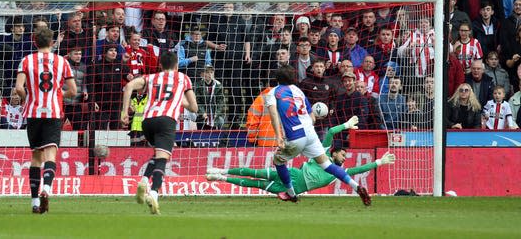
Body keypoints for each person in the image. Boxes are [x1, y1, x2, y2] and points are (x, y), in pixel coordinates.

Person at [206, 117, 396, 198]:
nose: (345, 158)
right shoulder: (321, 155)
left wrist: (379, 162)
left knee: (256, 184)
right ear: (335, 152)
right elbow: (329, 132)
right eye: (343, 154)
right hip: (294, 174)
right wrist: (345, 125)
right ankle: (220, 170)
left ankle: (221, 178)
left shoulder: (339, 172)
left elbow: (359, 170)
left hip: (297, 187)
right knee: (256, 172)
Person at [265, 65, 371, 205]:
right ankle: (356, 187)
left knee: (278, 160)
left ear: (276, 78)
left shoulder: (273, 93)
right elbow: (312, 116)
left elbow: (273, 114)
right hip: (310, 132)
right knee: (326, 164)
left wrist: (279, 136)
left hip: (295, 134)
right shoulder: (298, 91)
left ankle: (291, 194)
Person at [120, 51, 198, 215]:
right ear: (177, 65)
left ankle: (143, 180)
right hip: (166, 120)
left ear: (160, 65)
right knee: (163, 158)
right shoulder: (183, 78)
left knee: (158, 154)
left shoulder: (151, 77)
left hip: (147, 122)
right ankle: (154, 193)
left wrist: (124, 112)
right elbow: (194, 107)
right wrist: (180, 99)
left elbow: (128, 87)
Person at [15, 27, 77, 214]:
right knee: (50, 155)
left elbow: (18, 88)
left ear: (35, 42)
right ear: (52, 43)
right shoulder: (62, 61)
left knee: (36, 157)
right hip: (53, 112)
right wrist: (58, 95)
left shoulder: (26, 60)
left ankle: (34, 202)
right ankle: (47, 189)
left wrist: (29, 99)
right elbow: (73, 91)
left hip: (33, 113)